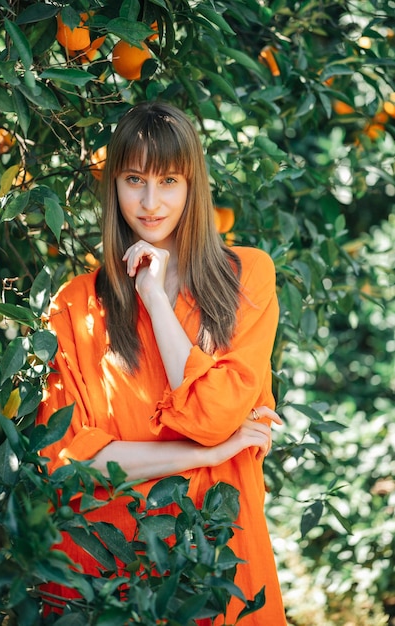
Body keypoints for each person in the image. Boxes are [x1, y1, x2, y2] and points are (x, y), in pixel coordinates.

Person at [36, 101, 287, 625]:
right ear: (114, 187)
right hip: (105, 563)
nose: (151, 202)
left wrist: (153, 295)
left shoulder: (247, 278)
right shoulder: (75, 304)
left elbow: (212, 416)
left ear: (193, 185)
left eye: (169, 180)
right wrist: (217, 451)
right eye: (134, 179)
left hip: (216, 560)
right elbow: (67, 465)